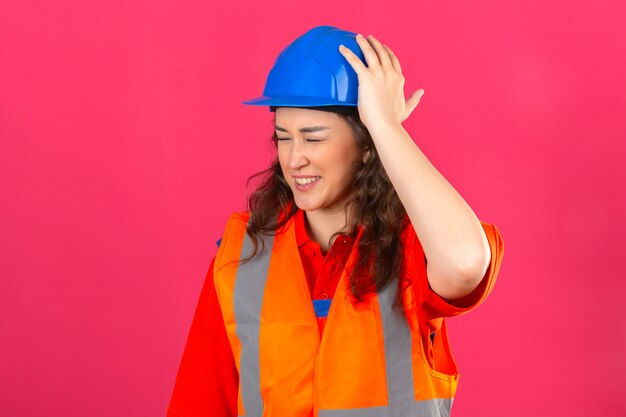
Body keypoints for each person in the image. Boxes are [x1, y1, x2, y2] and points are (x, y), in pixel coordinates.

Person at [167, 25, 504, 417]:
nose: (294, 159)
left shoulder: (415, 248)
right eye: (283, 137)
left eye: (313, 138)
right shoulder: (241, 258)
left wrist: (387, 128)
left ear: (366, 147)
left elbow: (465, 263)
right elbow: (198, 404)